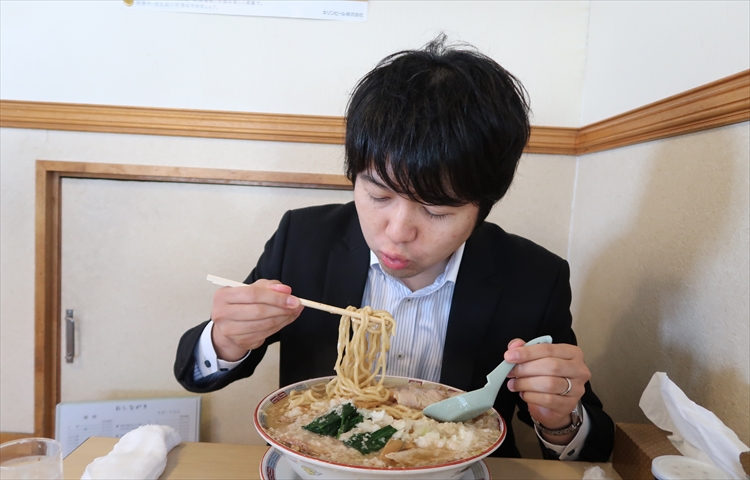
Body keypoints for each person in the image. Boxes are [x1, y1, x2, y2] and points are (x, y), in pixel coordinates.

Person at [174, 35, 614, 461]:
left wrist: (560, 418)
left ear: (483, 206)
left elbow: (592, 447)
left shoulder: (533, 277)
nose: (398, 231)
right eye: (378, 195)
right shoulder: (304, 239)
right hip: (321, 462)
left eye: (436, 211)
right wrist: (226, 339)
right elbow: (195, 374)